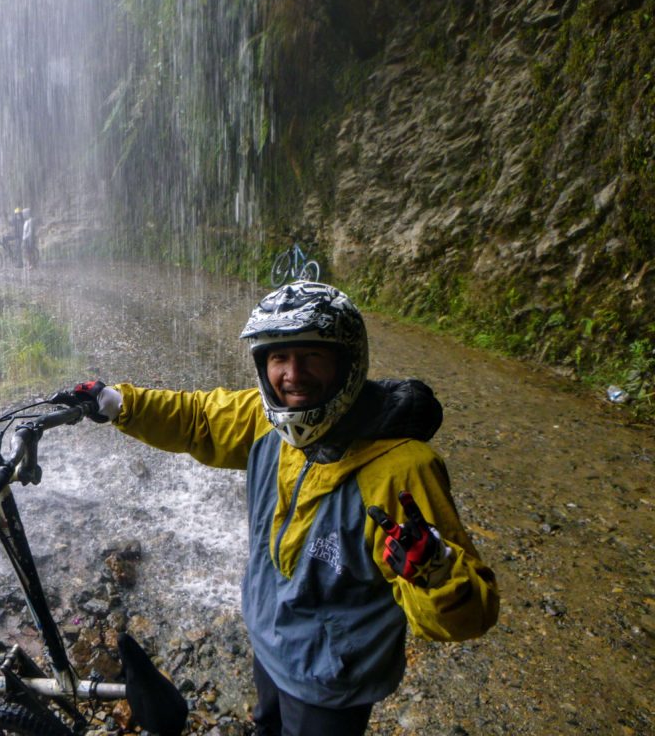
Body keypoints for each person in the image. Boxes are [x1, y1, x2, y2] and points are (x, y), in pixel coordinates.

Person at [64, 281, 499, 736]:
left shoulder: (402, 470)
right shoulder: (265, 420)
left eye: (312, 356)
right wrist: (117, 404)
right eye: (278, 357)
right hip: (272, 641)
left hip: (330, 682)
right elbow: (199, 418)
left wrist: (435, 574)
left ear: (347, 362)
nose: (293, 374)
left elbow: (470, 615)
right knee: (267, 724)